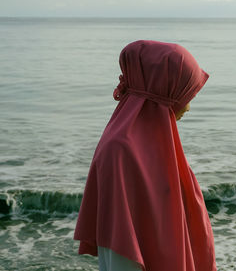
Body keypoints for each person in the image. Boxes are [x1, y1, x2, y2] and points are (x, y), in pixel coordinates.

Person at [74, 40, 217, 271]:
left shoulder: (158, 146)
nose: (189, 107)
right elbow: (120, 250)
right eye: (184, 94)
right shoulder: (120, 152)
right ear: (162, 91)